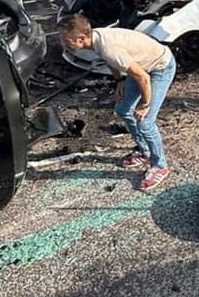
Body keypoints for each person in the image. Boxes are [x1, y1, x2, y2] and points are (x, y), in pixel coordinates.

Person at [58, 13, 175, 191]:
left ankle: (160, 165)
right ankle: (144, 151)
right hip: (141, 67)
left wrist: (144, 105)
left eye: (67, 40)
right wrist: (119, 80)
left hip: (159, 67)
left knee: (145, 122)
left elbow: (142, 78)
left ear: (81, 38)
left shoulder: (108, 47)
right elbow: (111, 61)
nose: (64, 44)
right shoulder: (96, 39)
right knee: (123, 109)